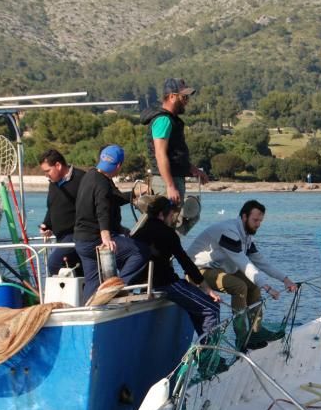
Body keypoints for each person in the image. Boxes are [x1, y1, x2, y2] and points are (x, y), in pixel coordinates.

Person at [187, 200, 297, 350]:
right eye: (255, 220)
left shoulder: (246, 236)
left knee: (252, 284)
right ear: (244, 217)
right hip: (197, 271)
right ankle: (242, 336)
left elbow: (261, 262)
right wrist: (266, 286)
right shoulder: (229, 232)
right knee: (239, 286)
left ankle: (256, 331)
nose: (258, 224)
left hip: (220, 269)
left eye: (260, 221)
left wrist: (286, 279)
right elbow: (243, 262)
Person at [133, 195, 221, 338]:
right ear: (162, 214)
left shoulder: (140, 231)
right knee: (211, 308)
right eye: (172, 215)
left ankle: (203, 349)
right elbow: (185, 261)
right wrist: (206, 288)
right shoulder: (167, 233)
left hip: (145, 284)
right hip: (165, 283)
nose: (173, 219)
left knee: (198, 307)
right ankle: (210, 356)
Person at [72, 145, 148, 304]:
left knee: (92, 281)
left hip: (81, 240)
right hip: (96, 239)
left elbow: (113, 198)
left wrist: (135, 194)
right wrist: (105, 235)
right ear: (119, 166)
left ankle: (89, 312)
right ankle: (117, 289)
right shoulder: (103, 183)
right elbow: (103, 208)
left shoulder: (90, 176)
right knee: (140, 251)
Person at [140, 77, 209, 206]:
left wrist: (192, 169)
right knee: (167, 222)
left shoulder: (171, 120)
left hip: (171, 179)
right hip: (165, 181)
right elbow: (160, 154)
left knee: (178, 220)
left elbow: (174, 153)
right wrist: (170, 186)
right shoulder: (163, 120)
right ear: (172, 97)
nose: (187, 102)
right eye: (184, 97)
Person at [37, 149, 85, 277]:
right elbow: (52, 207)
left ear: (58, 165)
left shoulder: (81, 179)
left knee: (54, 263)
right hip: (61, 237)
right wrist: (47, 225)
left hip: (77, 234)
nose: (46, 175)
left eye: (48, 171)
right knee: (77, 271)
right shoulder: (53, 182)